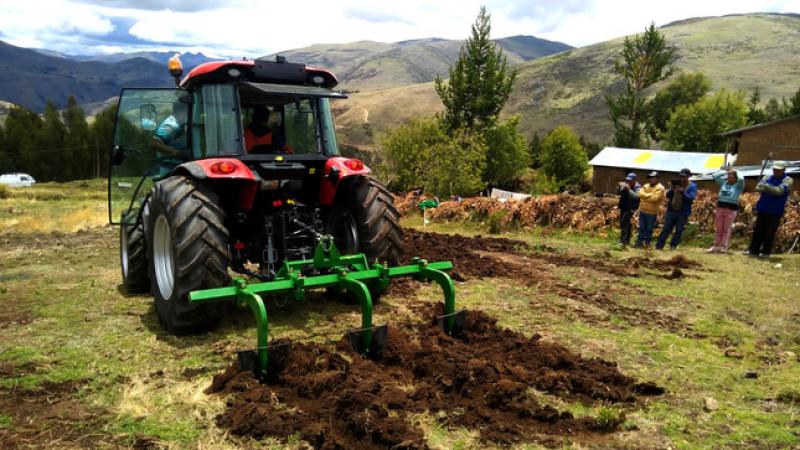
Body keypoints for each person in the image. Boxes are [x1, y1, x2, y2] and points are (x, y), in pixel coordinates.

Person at [747, 161, 794, 258]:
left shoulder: (788, 180)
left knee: (770, 232)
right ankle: (753, 250)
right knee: (758, 230)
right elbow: (758, 188)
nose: (775, 171)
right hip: (763, 207)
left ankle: (765, 252)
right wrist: (772, 189)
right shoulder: (767, 177)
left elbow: (779, 191)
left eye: (778, 170)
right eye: (774, 169)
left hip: (775, 210)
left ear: (783, 170)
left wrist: (767, 186)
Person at [656, 168, 697, 250]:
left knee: (678, 231)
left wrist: (682, 192)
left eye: (684, 176)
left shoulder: (692, 186)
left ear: (688, 177)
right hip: (672, 210)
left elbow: (690, 199)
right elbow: (667, 196)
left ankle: (673, 246)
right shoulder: (676, 184)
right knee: (666, 229)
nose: (682, 178)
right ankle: (659, 246)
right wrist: (672, 189)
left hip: (683, 212)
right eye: (681, 176)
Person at [708, 169, 744, 253]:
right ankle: (716, 246)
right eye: (728, 176)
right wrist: (726, 171)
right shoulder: (723, 183)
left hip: (730, 209)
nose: (729, 177)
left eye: (731, 176)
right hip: (720, 208)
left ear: (736, 178)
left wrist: (736, 170)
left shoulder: (738, 186)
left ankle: (724, 247)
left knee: (726, 229)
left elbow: (741, 179)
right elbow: (715, 176)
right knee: (719, 228)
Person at [635, 171, 665, 250]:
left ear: (657, 178)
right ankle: (639, 243)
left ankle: (647, 244)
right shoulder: (646, 185)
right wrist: (648, 195)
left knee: (649, 229)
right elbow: (639, 193)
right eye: (651, 178)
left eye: (653, 178)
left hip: (652, 212)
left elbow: (655, 199)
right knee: (641, 228)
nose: (651, 179)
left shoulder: (660, 188)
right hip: (643, 210)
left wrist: (644, 197)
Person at [616, 172, 641, 249]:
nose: (628, 182)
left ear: (634, 180)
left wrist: (629, 189)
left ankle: (623, 241)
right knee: (625, 224)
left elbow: (636, 197)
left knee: (624, 223)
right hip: (624, 207)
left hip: (630, 208)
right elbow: (619, 193)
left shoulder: (638, 187)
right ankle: (626, 240)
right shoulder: (626, 185)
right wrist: (619, 187)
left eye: (630, 180)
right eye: (627, 180)